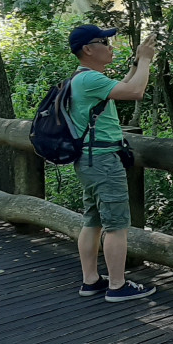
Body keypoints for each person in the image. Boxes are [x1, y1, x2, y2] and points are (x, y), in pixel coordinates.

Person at [68, 24, 158, 302]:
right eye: (104, 42)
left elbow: (125, 87)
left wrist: (136, 63)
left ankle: (91, 280)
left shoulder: (85, 78)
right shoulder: (89, 80)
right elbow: (135, 92)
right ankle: (117, 286)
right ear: (88, 49)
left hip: (89, 158)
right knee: (116, 224)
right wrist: (145, 60)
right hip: (103, 160)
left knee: (93, 219)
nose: (110, 46)